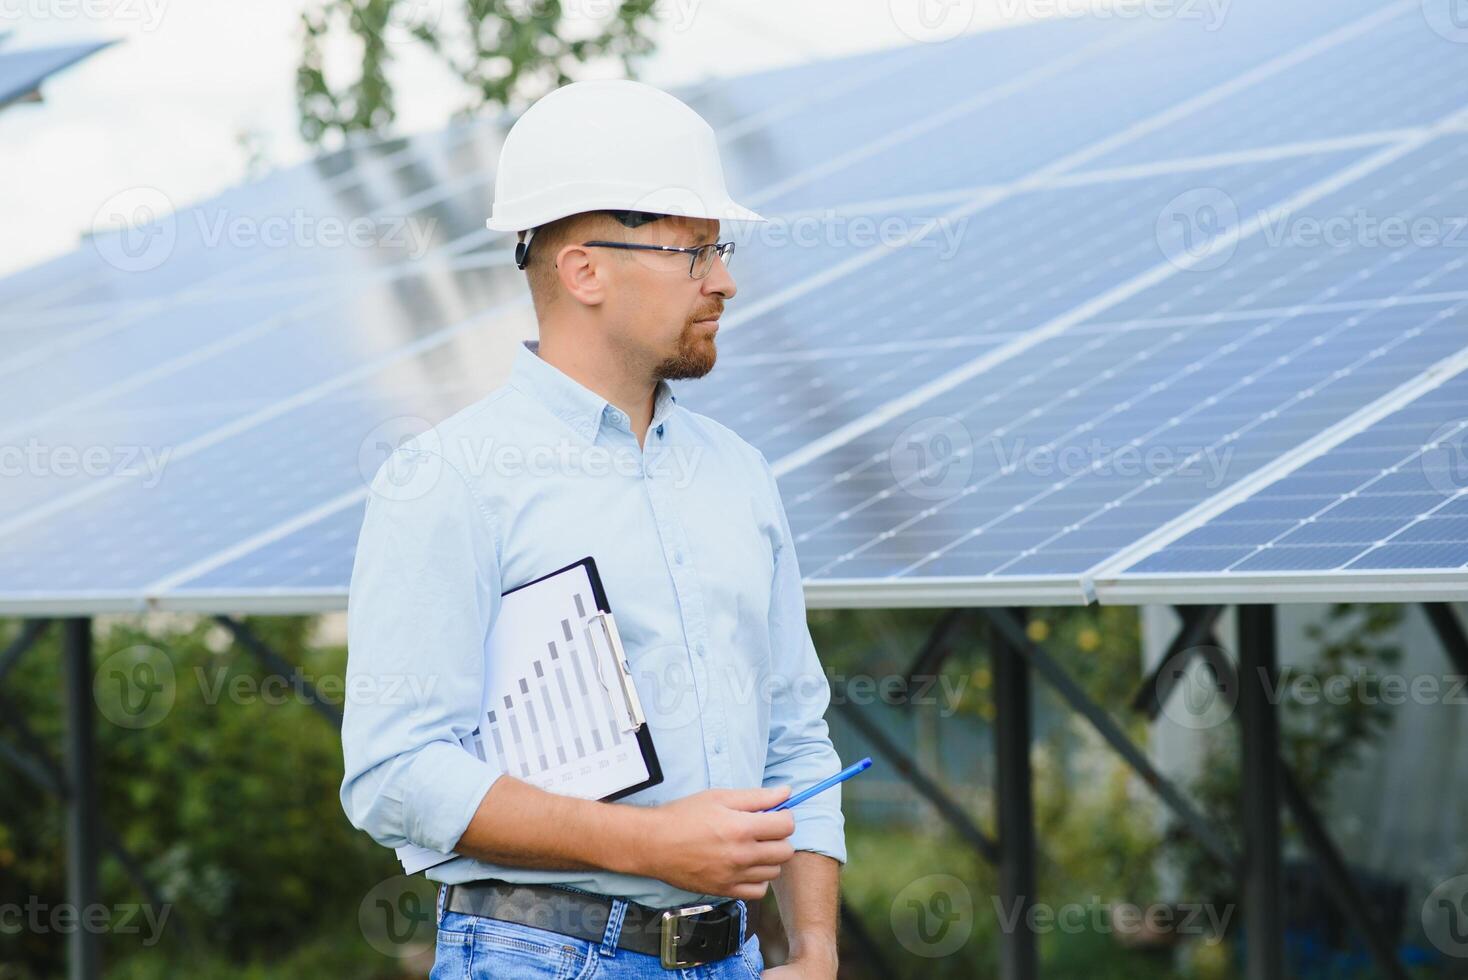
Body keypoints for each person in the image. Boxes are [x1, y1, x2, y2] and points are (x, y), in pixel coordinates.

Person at [341, 78, 845, 979]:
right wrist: (651, 845)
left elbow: (796, 736)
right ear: (585, 270)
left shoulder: (740, 475)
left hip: (733, 959)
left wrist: (813, 952)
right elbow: (395, 773)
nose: (725, 280)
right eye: (694, 252)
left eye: (719, 250)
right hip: (535, 956)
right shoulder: (446, 481)